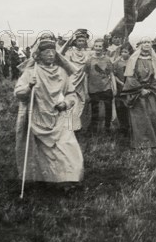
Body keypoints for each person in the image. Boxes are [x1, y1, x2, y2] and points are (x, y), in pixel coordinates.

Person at [13, 36, 84, 189]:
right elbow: (18, 93)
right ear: (39, 55)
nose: (51, 54)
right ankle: (47, 179)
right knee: (42, 152)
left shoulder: (62, 72)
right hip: (37, 116)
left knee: (67, 145)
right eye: (46, 52)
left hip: (60, 117)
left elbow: (72, 94)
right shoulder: (31, 73)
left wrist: (65, 103)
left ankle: (67, 179)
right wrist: (28, 87)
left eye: (53, 51)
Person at [121, 37, 156, 149]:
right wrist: (140, 90)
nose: (147, 44)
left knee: (152, 115)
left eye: (149, 42)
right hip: (137, 93)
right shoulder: (133, 59)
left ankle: (153, 142)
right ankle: (140, 143)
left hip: (151, 92)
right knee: (139, 118)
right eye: (144, 42)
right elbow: (130, 77)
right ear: (140, 44)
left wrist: (151, 89)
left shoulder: (154, 60)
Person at [61, 29, 92, 131]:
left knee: (82, 101)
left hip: (82, 79)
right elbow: (63, 59)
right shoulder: (70, 52)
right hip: (72, 78)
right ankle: (68, 125)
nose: (81, 43)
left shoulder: (87, 53)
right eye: (79, 41)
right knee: (71, 100)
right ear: (75, 41)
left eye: (83, 41)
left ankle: (78, 125)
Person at [86, 38, 116, 132]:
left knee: (108, 108)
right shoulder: (89, 60)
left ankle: (107, 127)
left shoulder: (107, 60)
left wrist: (114, 88)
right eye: (96, 46)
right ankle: (94, 129)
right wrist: (86, 90)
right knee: (95, 109)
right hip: (93, 88)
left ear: (103, 48)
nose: (98, 48)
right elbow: (86, 75)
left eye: (100, 46)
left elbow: (111, 74)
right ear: (93, 47)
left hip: (106, 87)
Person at [112, 42, 133, 134]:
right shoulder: (117, 62)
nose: (123, 53)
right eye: (122, 52)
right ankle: (122, 126)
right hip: (120, 87)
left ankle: (131, 125)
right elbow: (114, 74)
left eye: (126, 52)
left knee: (129, 105)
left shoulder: (132, 61)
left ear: (130, 53)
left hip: (130, 87)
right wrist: (120, 82)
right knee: (120, 106)